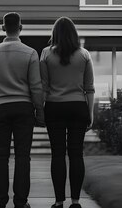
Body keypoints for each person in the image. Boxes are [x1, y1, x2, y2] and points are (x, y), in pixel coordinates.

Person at [0, 12, 44, 208]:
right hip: (24, 109)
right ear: (21, 27)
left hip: (0, 107)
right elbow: (36, 86)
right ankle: (20, 202)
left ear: (3, 28)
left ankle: (0, 202)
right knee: (23, 156)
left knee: (0, 156)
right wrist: (39, 112)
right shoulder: (31, 53)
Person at [40, 16, 95, 208]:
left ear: (55, 33)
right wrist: (90, 114)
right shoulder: (84, 54)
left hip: (54, 108)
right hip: (78, 107)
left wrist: (40, 110)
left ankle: (58, 201)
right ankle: (76, 201)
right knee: (76, 154)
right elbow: (89, 88)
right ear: (74, 34)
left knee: (57, 154)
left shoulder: (46, 54)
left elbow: (44, 87)